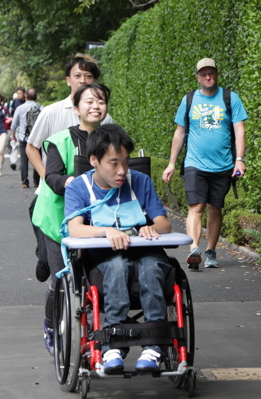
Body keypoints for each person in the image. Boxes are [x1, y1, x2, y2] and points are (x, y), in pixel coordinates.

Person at [64, 123, 172, 373]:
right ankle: (112, 344)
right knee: (116, 267)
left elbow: (164, 223)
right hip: (103, 258)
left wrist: (150, 227)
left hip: (145, 252)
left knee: (153, 267)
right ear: (94, 160)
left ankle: (154, 345)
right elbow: (74, 229)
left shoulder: (141, 182)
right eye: (114, 163)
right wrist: (107, 231)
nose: (122, 170)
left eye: (126, 161)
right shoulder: (79, 187)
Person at [31, 83, 110, 356]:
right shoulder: (61, 140)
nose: (95, 106)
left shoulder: (111, 139)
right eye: (89, 102)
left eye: (100, 101)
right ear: (76, 109)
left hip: (94, 220)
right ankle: (51, 326)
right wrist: (68, 182)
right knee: (60, 278)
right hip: (57, 221)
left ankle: (93, 333)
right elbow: (51, 177)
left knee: (92, 277)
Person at [25, 54, 114, 285]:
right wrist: (51, 178)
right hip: (54, 194)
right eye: (78, 76)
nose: (83, 80)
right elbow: (32, 148)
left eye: (89, 76)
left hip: (92, 199)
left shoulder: (105, 117)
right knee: (55, 260)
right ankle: (44, 257)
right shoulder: (52, 112)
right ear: (68, 80)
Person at [162, 58, 248, 270]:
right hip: (195, 164)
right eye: (203, 74)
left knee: (215, 208)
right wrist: (171, 163)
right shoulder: (189, 99)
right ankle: (194, 249)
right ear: (198, 77)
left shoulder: (230, 98)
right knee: (197, 206)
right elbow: (180, 132)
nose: (208, 77)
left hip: (223, 165)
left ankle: (210, 250)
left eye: (211, 73)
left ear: (217, 74)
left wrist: (239, 160)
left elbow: (239, 130)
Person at [9, 88, 43, 188]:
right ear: (36, 97)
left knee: (24, 160)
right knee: (37, 158)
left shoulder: (20, 108)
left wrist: (13, 136)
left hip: (23, 137)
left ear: (26, 96)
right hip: (37, 137)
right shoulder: (41, 108)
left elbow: (14, 125)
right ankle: (36, 181)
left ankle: (25, 182)